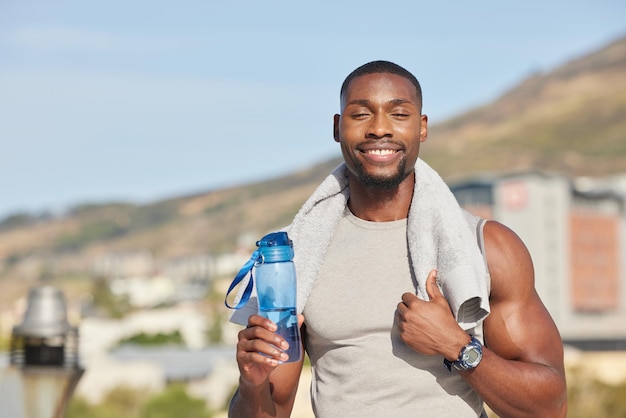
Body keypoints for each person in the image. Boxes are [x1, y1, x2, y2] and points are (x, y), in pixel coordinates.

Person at [228, 60, 567, 417]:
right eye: (361, 115)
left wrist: (456, 345)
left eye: (398, 114)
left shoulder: (488, 248)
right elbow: (272, 410)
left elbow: (549, 408)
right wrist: (251, 384)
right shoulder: (296, 258)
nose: (379, 129)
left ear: (421, 127)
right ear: (337, 127)